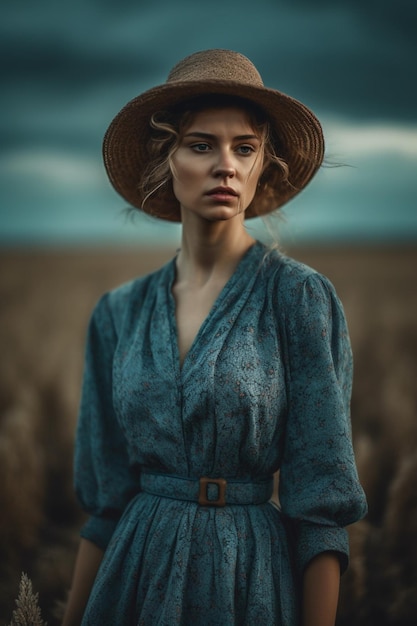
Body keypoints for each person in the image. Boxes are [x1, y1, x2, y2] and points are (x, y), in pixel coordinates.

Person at [63, 49, 367, 626]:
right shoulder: (117, 313)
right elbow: (105, 506)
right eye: (201, 145)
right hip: (134, 574)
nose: (225, 165)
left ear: (261, 167)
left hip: (247, 577)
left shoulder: (298, 298)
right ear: (166, 160)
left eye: (244, 148)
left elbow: (321, 509)